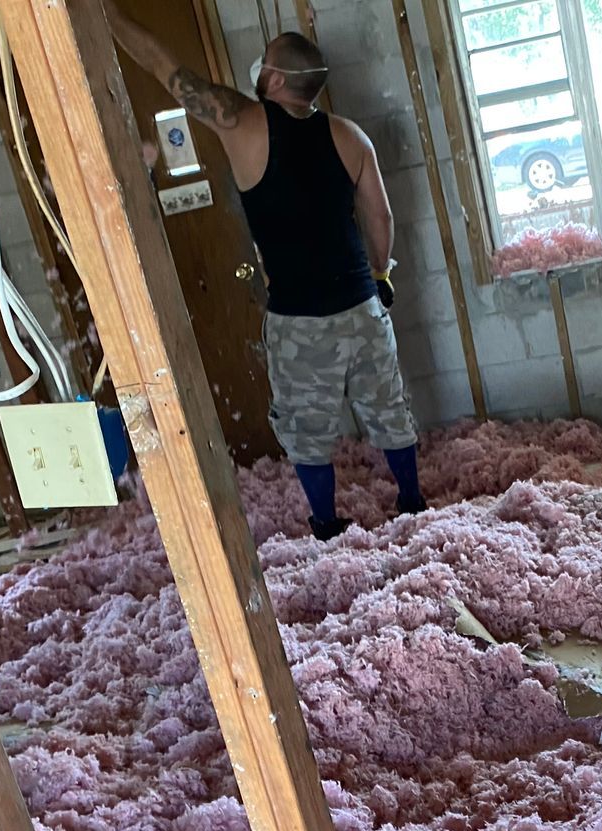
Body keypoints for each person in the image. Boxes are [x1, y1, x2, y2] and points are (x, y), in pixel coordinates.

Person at [103, 7, 426, 538]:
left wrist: (109, 18)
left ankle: (326, 522)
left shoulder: (243, 120)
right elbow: (380, 218)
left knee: (306, 428)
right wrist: (378, 276)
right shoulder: (350, 137)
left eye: (265, 59)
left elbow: (168, 70)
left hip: (299, 320)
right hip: (364, 307)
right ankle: (411, 502)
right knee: (389, 410)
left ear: (274, 78)